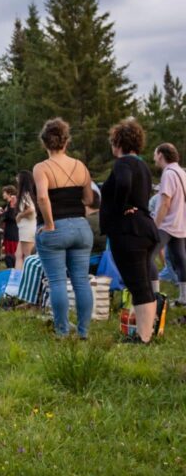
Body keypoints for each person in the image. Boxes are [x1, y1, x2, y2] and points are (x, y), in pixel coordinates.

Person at [32, 118, 95, 339]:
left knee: (57, 281)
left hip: (55, 228)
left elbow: (42, 197)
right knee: (81, 280)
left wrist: (49, 224)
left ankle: (62, 332)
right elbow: (89, 198)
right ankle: (84, 332)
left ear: (45, 143)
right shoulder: (81, 166)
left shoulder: (41, 168)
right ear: (65, 142)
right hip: (81, 228)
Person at [101, 119, 159, 343]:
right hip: (145, 229)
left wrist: (119, 208)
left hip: (129, 232)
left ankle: (143, 337)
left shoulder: (123, 163)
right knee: (143, 284)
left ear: (118, 142)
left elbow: (124, 184)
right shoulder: (143, 165)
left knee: (137, 285)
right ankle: (147, 332)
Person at [152, 143, 186, 306]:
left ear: (160, 155)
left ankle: (153, 297)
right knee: (180, 261)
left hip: (166, 225)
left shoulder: (168, 174)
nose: (154, 158)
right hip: (179, 224)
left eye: (155, 154)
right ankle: (184, 297)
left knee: (148, 257)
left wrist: (155, 225)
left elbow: (165, 202)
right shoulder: (181, 172)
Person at [15, 170, 37, 269]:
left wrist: (20, 215)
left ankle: (26, 280)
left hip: (27, 229)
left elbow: (31, 210)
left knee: (28, 257)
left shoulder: (25, 194)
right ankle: (17, 279)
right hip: (27, 229)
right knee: (18, 255)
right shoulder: (31, 194)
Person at [0, 185, 19, 268]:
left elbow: (12, 217)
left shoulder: (13, 202)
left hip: (12, 233)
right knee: (8, 254)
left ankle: (14, 272)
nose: (3, 194)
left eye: (4, 193)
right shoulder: (8, 204)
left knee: (12, 255)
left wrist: (2, 214)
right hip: (9, 232)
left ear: (9, 193)